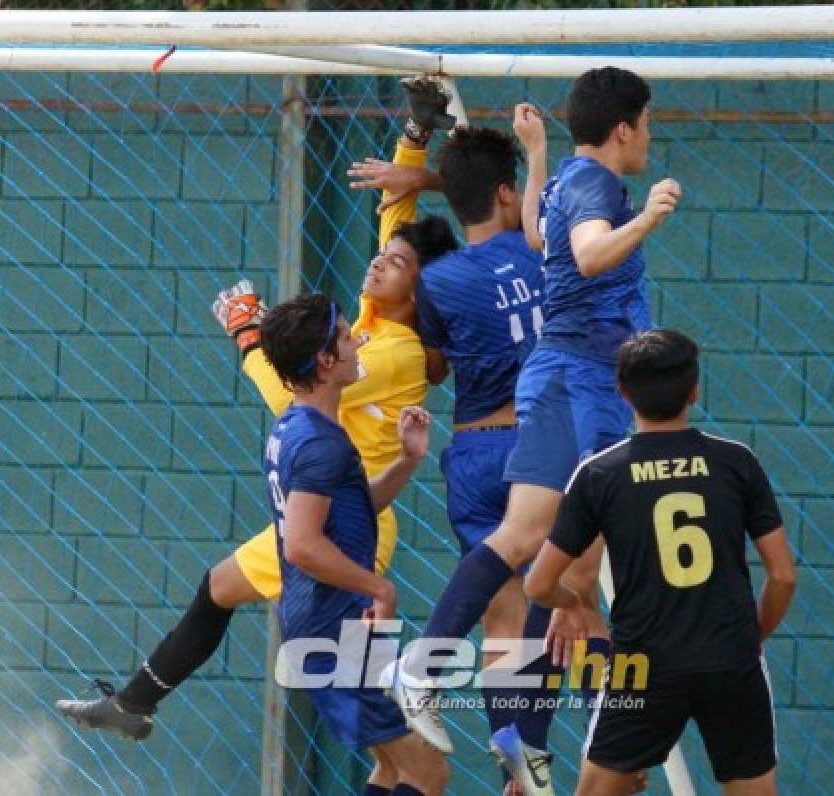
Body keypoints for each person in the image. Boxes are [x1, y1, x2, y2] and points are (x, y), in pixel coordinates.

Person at [56, 81, 457, 740]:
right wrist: (415, 133)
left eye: (396, 263)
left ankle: (137, 703)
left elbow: (289, 392)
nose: (379, 261)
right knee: (217, 588)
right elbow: (396, 208)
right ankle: (133, 705)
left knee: (390, 744)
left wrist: (249, 334)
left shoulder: (389, 353)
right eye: (384, 255)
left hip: (346, 533)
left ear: (423, 287)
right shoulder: (378, 315)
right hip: (327, 510)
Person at [385, 65, 681, 779]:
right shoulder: (602, 190)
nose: (649, 136)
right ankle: (434, 678)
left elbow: (546, 241)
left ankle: (535, 746)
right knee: (550, 556)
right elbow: (581, 252)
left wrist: (536, 151)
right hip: (575, 385)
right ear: (623, 127)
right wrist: (649, 217)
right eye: (645, 123)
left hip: (568, 388)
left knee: (570, 570)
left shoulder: (569, 188)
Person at [353, 106, 564, 796]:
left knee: (506, 617)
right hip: (539, 447)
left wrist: (415, 176)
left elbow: (437, 366)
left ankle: (518, 762)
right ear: (511, 194)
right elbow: (535, 199)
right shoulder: (545, 248)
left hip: (473, 454)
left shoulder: (439, 281)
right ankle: (526, 757)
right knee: (550, 612)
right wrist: (529, 154)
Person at [524, 329, 797, 796]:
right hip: (731, 660)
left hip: (645, 664)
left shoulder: (599, 475)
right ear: (694, 391)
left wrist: (579, 607)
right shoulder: (737, 462)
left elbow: (538, 584)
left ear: (622, 392)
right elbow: (783, 575)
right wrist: (752, 636)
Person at [258, 292, 446, 796]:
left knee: (391, 770)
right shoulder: (319, 442)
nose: (357, 339)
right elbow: (301, 545)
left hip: (332, 623)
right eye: (345, 336)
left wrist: (407, 461)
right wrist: (378, 588)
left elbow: (354, 510)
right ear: (325, 359)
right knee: (427, 773)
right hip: (332, 627)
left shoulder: (299, 427)